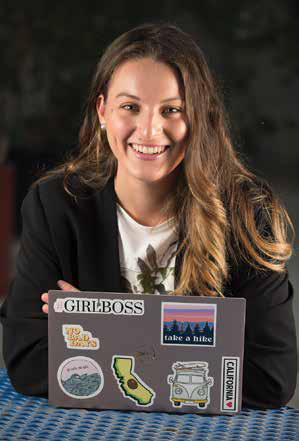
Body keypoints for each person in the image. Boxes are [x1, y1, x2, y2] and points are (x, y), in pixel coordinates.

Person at [0, 22, 297, 409]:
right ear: (103, 110)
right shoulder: (54, 205)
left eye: (172, 109)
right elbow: (28, 362)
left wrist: (100, 328)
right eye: (130, 107)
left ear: (199, 117)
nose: (150, 129)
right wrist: (201, 351)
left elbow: (271, 377)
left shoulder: (248, 215)